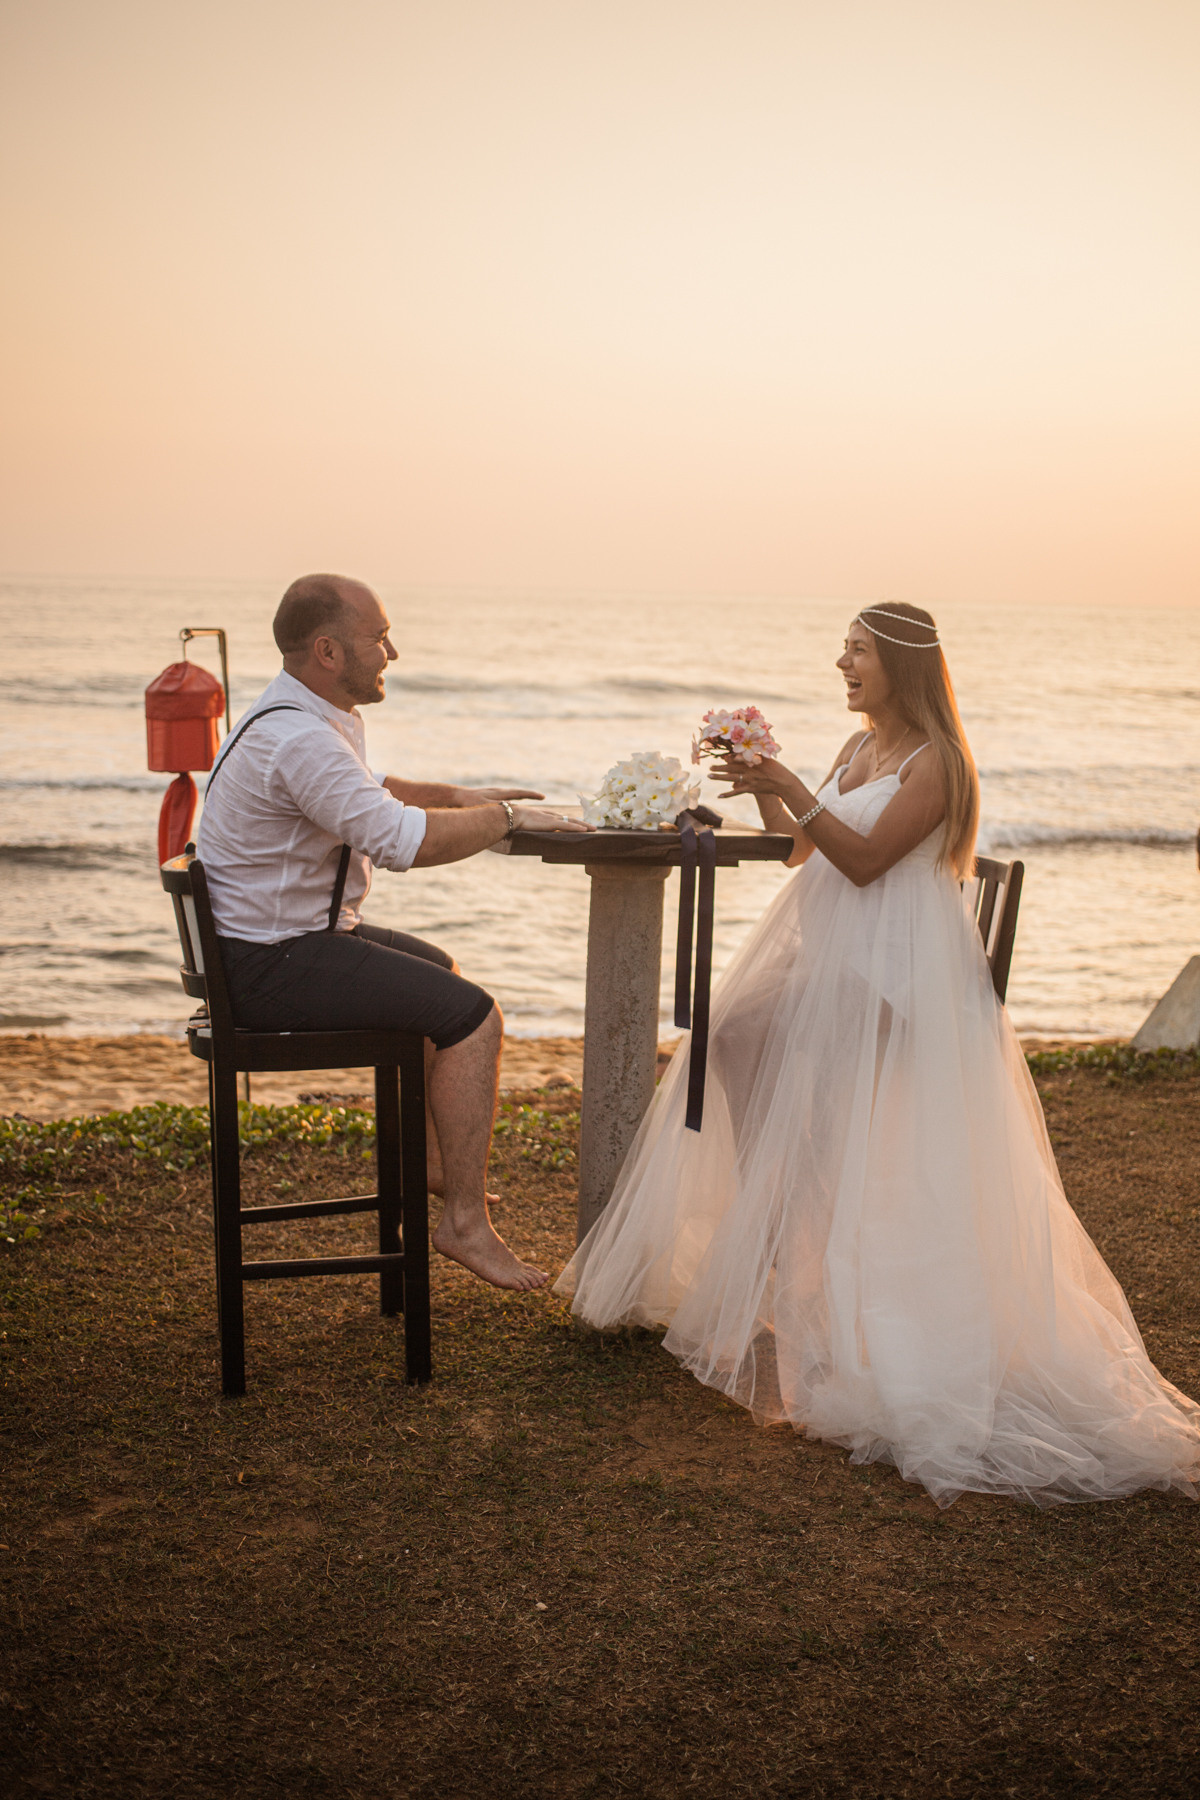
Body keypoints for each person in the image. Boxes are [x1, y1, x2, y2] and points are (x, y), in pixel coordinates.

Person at [556, 603, 1200, 1506]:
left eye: (856, 651)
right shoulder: (855, 748)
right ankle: (792, 1225)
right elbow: (797, 853)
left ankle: (797, 1237)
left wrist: (787, 774)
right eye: (844, 650)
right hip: (839, 968)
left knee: (750, 1037)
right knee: (731, 1032)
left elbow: (861, 862)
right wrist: (763, 786)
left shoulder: (937, 762)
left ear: (899, 662)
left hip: (900, 985)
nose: (842, 664)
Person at [196, 572, 591, 1292]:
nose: (392, 652)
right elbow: (400, 841)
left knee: (442, 969)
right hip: (268, 965)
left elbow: (377, 792)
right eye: (378, 638)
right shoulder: (297, 739)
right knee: (473, 1018)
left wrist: (468, 798)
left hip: (273, 945)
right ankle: (464, 1225)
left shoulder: (304, 718)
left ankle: (437, 1167)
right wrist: (507, 821)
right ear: (327, 651)